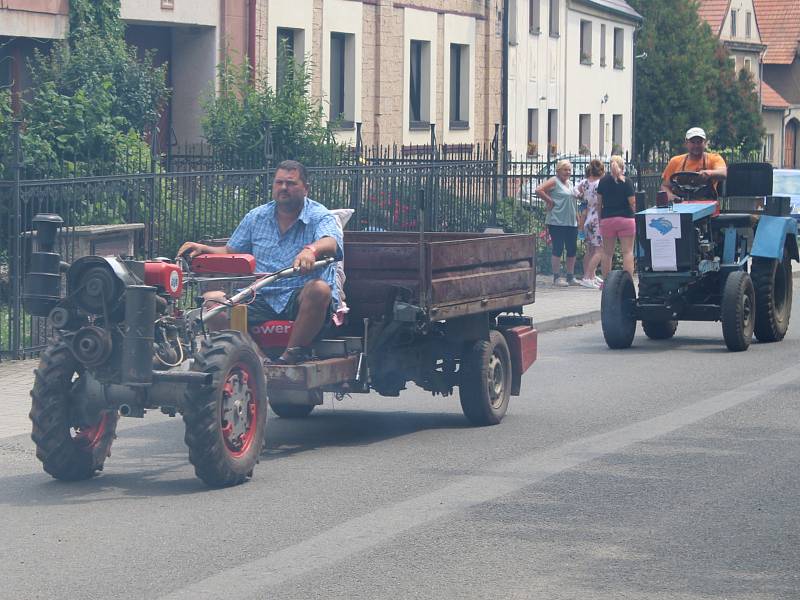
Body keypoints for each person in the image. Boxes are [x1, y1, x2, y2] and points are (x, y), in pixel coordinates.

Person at [177, 160, 343, 364]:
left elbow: (331, 242)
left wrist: (311, 250)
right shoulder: (256, 216)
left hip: (298, 295)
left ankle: (288, 357)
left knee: (320, 289)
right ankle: (257, 360)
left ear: (305, 188)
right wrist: (204, 248)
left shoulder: (320, 215)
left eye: (291, 183)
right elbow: (231, 251)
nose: (283, 188)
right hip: (261, 294)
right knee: (211, 302)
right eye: (279, 182)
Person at [536, 159, 580, 287]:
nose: (568, 172)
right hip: (557, 221)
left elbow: (573, 202)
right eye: (565, 169)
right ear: (559, 170)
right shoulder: (554, 181)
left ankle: (570, 276)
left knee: (572, 249)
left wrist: (577, 218)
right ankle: (556, 277)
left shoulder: (570, 184)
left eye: (569, 170)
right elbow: (539, 190)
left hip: (571, 221)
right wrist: (550, 201)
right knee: (558, 248)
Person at [661, 127, 727, 201]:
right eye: (693, 142)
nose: (696, 146)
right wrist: (670, 196)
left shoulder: (714, 158)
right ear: (686, 143)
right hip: (680, 206)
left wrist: (709, 173)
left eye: (699, 142)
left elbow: (723, 173)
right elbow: (665, 186)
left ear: (705, 143)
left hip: (707, 206)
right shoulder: (675, 161)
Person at [597, 155, 636, 278]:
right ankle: (628, 282)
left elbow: (599, 203)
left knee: (607, 253)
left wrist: (600, 219)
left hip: (607, 219)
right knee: (628, 252)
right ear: (623, 167)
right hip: (626, 219)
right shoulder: (627, 182)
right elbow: (632, 203)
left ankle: (606, 282)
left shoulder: (602, 182)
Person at [574, 159, 605, 289]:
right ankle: (588, 276)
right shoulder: (600, 183)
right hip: (597, 218)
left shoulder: (585, 182)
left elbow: (574, 190)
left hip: (587, 217)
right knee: (600, 250)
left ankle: (590, 276)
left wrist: (581, 196)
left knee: (590, 250)